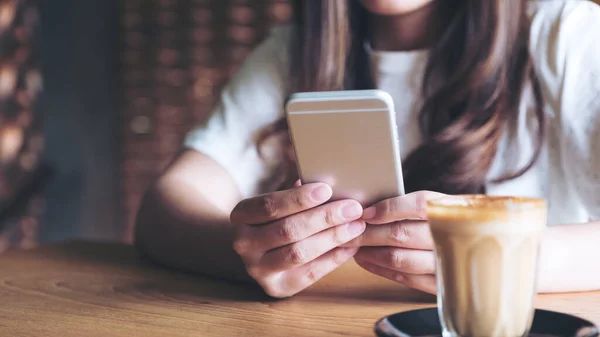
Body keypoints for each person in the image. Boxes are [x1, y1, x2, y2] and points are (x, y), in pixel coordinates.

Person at [134, 0, 600, 298]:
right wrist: (251, 250)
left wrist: (510, 256)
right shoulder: (291, 53)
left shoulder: (566, 34)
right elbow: (163, 209)